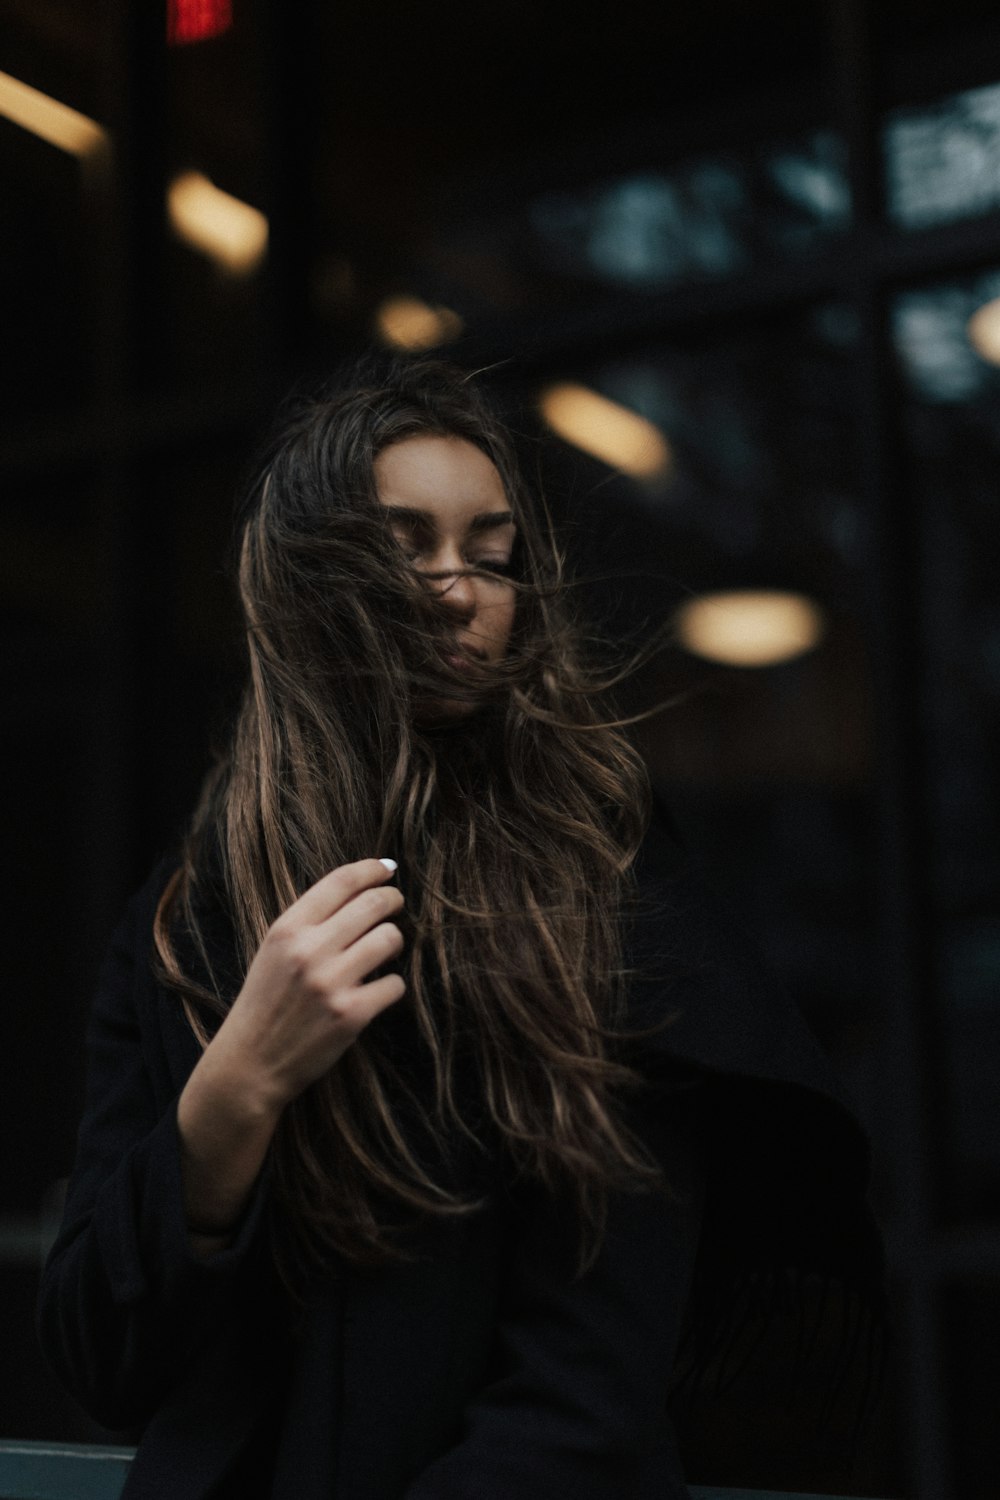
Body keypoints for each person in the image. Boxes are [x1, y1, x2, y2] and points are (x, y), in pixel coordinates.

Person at [38, 355, 884, 1500]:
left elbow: (585, 1397)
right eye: (404, 548)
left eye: (491, 557)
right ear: (300, 581)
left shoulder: (605, 892)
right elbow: (106, 1362)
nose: (458, 590)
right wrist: (235, 1090)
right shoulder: (191, 919)